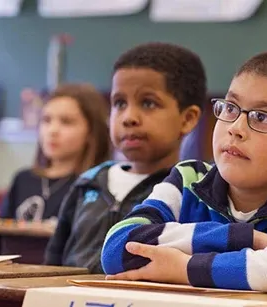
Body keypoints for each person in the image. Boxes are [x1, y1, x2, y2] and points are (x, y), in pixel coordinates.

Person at [101, 50, 267, 296]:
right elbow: (117, 248)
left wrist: (187, 269)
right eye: (230, 108)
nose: (235, 128)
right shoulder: (188, 179)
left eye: (261, 117)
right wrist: (248, 239)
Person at [44, 42, 207, 273]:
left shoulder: (194, 192)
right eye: (119, 103)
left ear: (187, 119)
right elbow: (53, 263)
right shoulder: (88, 182)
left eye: (148, 103)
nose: (128, 117)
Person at [0, 83, 111, 222]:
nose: (52, 130)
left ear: (91, 132)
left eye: (66, 122)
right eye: (46, 120)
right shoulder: (22, 180)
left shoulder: (93, 188)